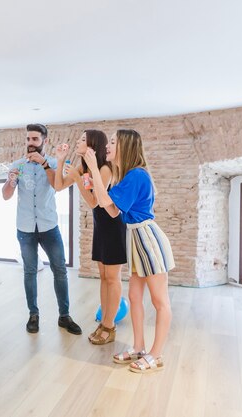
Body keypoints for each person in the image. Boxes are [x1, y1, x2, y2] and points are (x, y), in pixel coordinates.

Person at [84, 129, 174, 373]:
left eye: (113, 142)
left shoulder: (136, 175)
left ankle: (156, 355)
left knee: (159, 300)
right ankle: (139, 347)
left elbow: (103, 202)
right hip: (136, 239)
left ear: (125, 146)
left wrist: (93, 167)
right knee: (134, 297)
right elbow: (112, 210)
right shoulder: (127, 177)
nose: (108, 146)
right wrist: (94, 177)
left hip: (148, 241)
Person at [2, 123, 82, 335]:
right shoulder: (17, 165)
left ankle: (64, 316)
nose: (30, 143)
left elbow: (57, 185)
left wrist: (45, 163)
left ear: (44, 141)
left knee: (60, 271)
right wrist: (10, 182)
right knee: (29, 272)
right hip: (25, 227)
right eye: (28, 139)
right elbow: (6, 195)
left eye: (35, 139)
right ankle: (33, 315)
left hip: (49, 226)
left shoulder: (55, 163)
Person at [55, 130, 126, 345]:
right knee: (103, 278)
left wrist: (77, 179)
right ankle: (104, 322)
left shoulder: (105, 168)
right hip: (101, 226)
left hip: (113, 226)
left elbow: (95, 202)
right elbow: (58, 185)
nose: (78, 141)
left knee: (112, 278)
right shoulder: (84, 167)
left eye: (83, 139)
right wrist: (60, 162)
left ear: (93, 145)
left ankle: (109, 325)